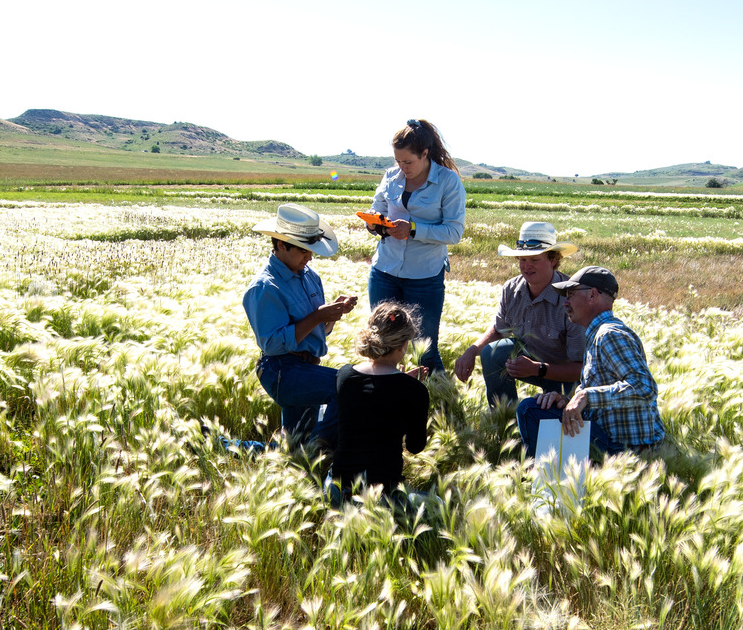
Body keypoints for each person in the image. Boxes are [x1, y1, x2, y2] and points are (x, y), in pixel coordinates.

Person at [517, 265, 666, 458]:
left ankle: (542, 480)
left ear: (592, 295)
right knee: (539, 406)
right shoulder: (597, 334)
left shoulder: (609, 335)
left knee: (530, 411)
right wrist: (567, 402)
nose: (565, 303)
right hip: (613, 440)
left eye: (570, 294)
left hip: (626, 449)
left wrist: (585, 396)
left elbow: (645, 387)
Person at [243, 203, 358, 451]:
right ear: (281, 245)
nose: (310, 257)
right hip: (282, 370)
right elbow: (272, 345)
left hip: (307, 366)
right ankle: (322, 451)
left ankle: (220, 444)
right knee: (346, 387)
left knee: (293, 447)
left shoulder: (310, 276)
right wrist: (317, 316)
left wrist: (332, 315)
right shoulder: (264, 288)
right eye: (304, 251)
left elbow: (320, 331)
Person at [365, 118, 465, 373]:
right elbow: (378, 207)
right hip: (385, 270)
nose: (402, 167)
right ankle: (385, 396)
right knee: (381, 342)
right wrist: (373, 222)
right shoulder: (390, 176)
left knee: (425, 349)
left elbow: (454, 232)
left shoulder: (448, 182)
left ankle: (436, 399)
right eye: (398, 161)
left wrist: (413, 229)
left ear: (425, 154)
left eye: (408, 162)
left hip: (424, 276)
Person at [452, 222, 586, 407]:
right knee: (492, 353)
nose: (526, 266)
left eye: (534, 259)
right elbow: (500, 329)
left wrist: (538, 369)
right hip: (531, 366)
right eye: (522, 259)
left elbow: (581, 368)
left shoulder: (571, 298)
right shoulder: (511, 288)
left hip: (566, 376)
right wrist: (472, 350)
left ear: (553, 260)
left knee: (553, 421)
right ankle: (504, 419)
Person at [328, 302, 431, 509]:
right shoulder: (414, 391)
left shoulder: (344, 376)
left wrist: (401, 381)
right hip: (383, 498)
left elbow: (373, 398)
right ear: (403, 345)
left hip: (337, 490)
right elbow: (415, 446)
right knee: (436, 504)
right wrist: (408, 387)